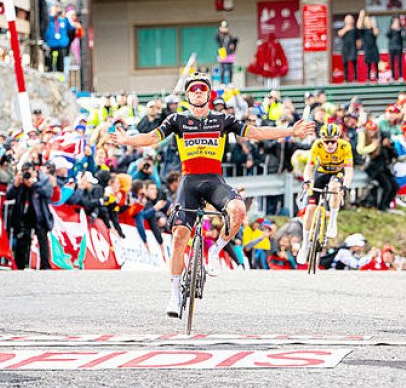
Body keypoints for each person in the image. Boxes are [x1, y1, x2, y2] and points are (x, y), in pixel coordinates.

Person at [112, 72, 313, 317]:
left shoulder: (223, 120)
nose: (197, 92)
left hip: (214, 179)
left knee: (238, 209)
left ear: (209, 94)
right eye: (193, 89)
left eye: (202, 89)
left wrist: (290, 131)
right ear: (187, 95)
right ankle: (175, 294)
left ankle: (217, 249)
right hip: (188, 181)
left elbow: (257, 133)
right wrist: (127, 140)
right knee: (178, 238)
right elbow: (152, 138)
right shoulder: (177, 120)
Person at [298, 122, 353, 265]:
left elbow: (349, 170)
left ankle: (332, 221)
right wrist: (307, 181)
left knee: (335, 187)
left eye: (332, 141)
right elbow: (309, 167)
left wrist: (345, 186)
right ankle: (305, 245)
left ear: (337, 140)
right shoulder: (317, 145)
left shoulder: (345, 146)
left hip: (337, 173)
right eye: (326, 141)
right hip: (321, 173)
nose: (329, 144)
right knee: (310, 209)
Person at [214, 21, 238, 85]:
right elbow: (216, 38)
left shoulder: (230, 37)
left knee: (230, 68)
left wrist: (233, 45)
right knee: (222, 68)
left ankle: (230, 82)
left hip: (229, 53)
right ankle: (222, 82)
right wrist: (219, 31)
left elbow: (235, 40)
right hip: (222, 52)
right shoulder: (219, 36)